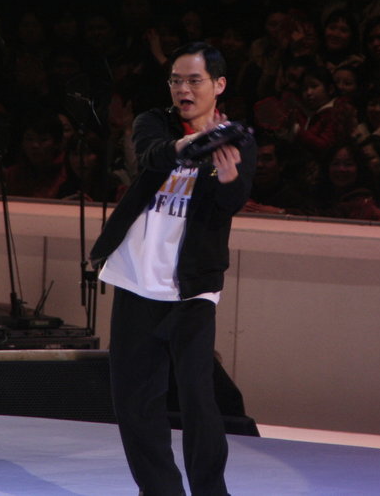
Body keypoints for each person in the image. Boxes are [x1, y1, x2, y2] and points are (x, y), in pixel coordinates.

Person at [89, 42, 256, 496]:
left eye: (194, 80)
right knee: (135, 400)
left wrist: (228, 179)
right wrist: (189, 145)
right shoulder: (154, 123)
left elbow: (231, 202)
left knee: (198, 397)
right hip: (135, 278)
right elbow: (152, 155)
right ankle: (160, 490)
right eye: (176, 80)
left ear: (218, 85)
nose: (184, 89)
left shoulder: (238, 139)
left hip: (192, 288)